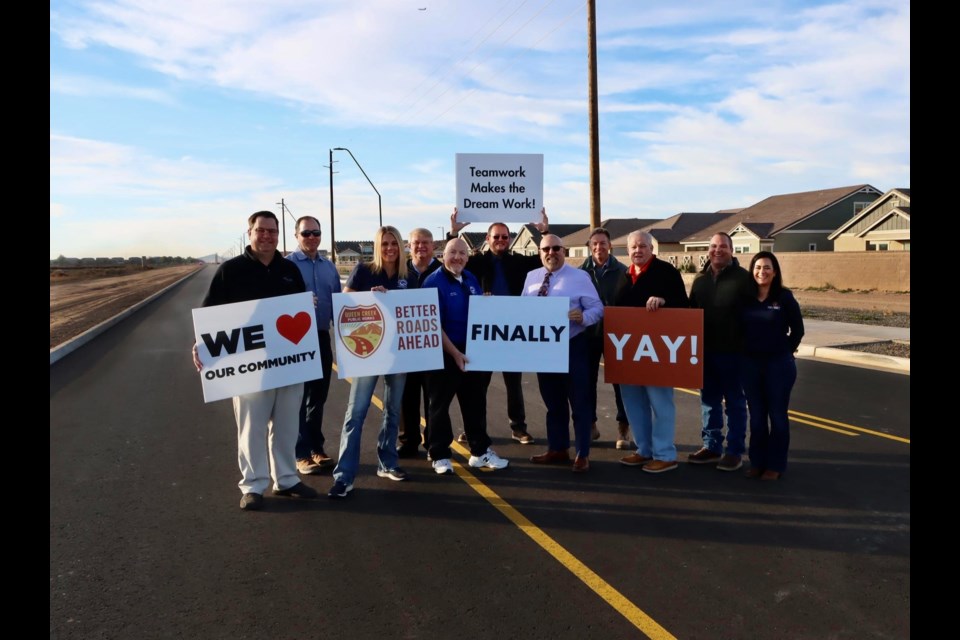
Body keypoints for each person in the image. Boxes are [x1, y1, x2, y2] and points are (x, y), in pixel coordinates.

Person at [191, 210, 319, 510]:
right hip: (248, 366)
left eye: (273, 231)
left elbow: (301, 309)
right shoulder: (230, 271)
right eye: (261, 230)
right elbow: (210, 313)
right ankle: (253, 485)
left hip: (289, 362)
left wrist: (308, 306)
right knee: (252, 425)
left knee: (288, 425)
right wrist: (199, 344)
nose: (267, 236)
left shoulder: (289, 269)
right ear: (250, 233)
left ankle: (286, 479)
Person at [448, 207, 549, 445]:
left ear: (510, 239)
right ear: (488, 239)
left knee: (514, 383)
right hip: (483, 332)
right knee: (478, 385)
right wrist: (453, 233)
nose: (501, 240)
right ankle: (474, 428)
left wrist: (545, 231)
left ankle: (519, 428)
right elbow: (453, 260)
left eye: (505, 236)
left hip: (512, 331)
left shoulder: (519, 262)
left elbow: (545, 258)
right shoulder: (476, 262)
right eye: (496, 237)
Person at [328, 225, 416, 499]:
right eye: (385, 244)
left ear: (401, 246)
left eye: (394, 243)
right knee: (356, 413)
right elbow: (343, 303)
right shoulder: (364, 271)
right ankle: (344, 475)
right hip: (367, 353)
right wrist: (368, 299)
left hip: (397, 354)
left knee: (392, 411)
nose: (390, 248)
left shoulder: (409, 275)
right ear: (377, 247)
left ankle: (387, 461)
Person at [421, 238, 509, 474]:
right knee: (439, 406)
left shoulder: (470, 278)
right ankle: (439, 454)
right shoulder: (433, 282)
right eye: (452, 253)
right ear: (443, 255)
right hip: (444, 353)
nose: (457, 257)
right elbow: (432, 325)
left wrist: (487, 304)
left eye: (462, 253)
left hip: (471, 353)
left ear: (468, 258)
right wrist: (454, 352)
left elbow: (478, 313)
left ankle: (480, 452)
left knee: (475, 404)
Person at [521, 234, 603, 472]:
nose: (551, 252)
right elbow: (522, 308)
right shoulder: (531, 277)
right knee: (553, 402)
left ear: (564, 251)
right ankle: (557, 448)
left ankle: (582, 453)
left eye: (556, 248)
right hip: (544, 348)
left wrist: (584, 317)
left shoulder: (579, 277)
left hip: (572, 345)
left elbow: (597, 307)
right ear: (540, 252)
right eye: (546, 248)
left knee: (579, 401)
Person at [614, 231, 689, 473]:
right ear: (628, 251)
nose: (638, 250)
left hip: (659, 353)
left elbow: (685, 308)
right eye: (633, 247)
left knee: (661, 404)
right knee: (633, 404)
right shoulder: (624, 277)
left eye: (643, 246)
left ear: (651, 248)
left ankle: (665, 454)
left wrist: (665, 301)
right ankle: (644, 449)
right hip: (630, 355)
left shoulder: (667, 273)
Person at [687, 232, 754, 472]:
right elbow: (689, 313)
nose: (718, 250)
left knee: (735, 403)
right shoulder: (700, 280)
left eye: (723, 246)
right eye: (714, 246)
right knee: (708, 402)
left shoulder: (744, 279)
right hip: (705, 353)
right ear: (708, 250)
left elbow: (753, 316)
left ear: (731, 250)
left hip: (734, 353)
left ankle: (734, 451)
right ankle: (711, 445)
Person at [741, 251, 804, 481]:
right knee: (757, 417)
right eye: (758, 267)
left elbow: (798, 329)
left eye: (767, 267)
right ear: (752, 271)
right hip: (750, 365)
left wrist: (785, 350)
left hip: (779, 365)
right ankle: (757, 462)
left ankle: (775, 465)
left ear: (775, 271)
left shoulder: (784, 297)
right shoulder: (745, 298)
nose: (762, 272)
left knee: (777, 416)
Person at [286, 215, 341, 474]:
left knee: (318, 397)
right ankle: (300, 452)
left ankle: (316, 447)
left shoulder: (329, 267)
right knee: (298, 397)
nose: (311, 237)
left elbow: (342, 306)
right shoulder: (286, 266)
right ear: (296, 235)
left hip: (321, 337)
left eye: (316, 233)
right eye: (306, 233)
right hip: (293, 340)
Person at [579, 227, 632, 449]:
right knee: (587, 382)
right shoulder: (581, 273)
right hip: (588, 334)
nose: (599, 247)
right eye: (595, 244)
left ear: (610, 246)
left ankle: (623, 429)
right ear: (590, 247)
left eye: (603, 243)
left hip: (616, 336)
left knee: (621, 384)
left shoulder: (624, 272)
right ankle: (591, 425)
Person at [397, 228, 443, 458]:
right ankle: (408, 440)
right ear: (409, 245)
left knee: (433, 397)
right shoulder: (400, 270)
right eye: (416, 243)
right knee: (407, 396)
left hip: (435, 345)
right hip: (406, 344)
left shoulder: (442, 271)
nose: (421, 247)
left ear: (433, 245)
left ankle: (433, 442)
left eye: (425, 242)